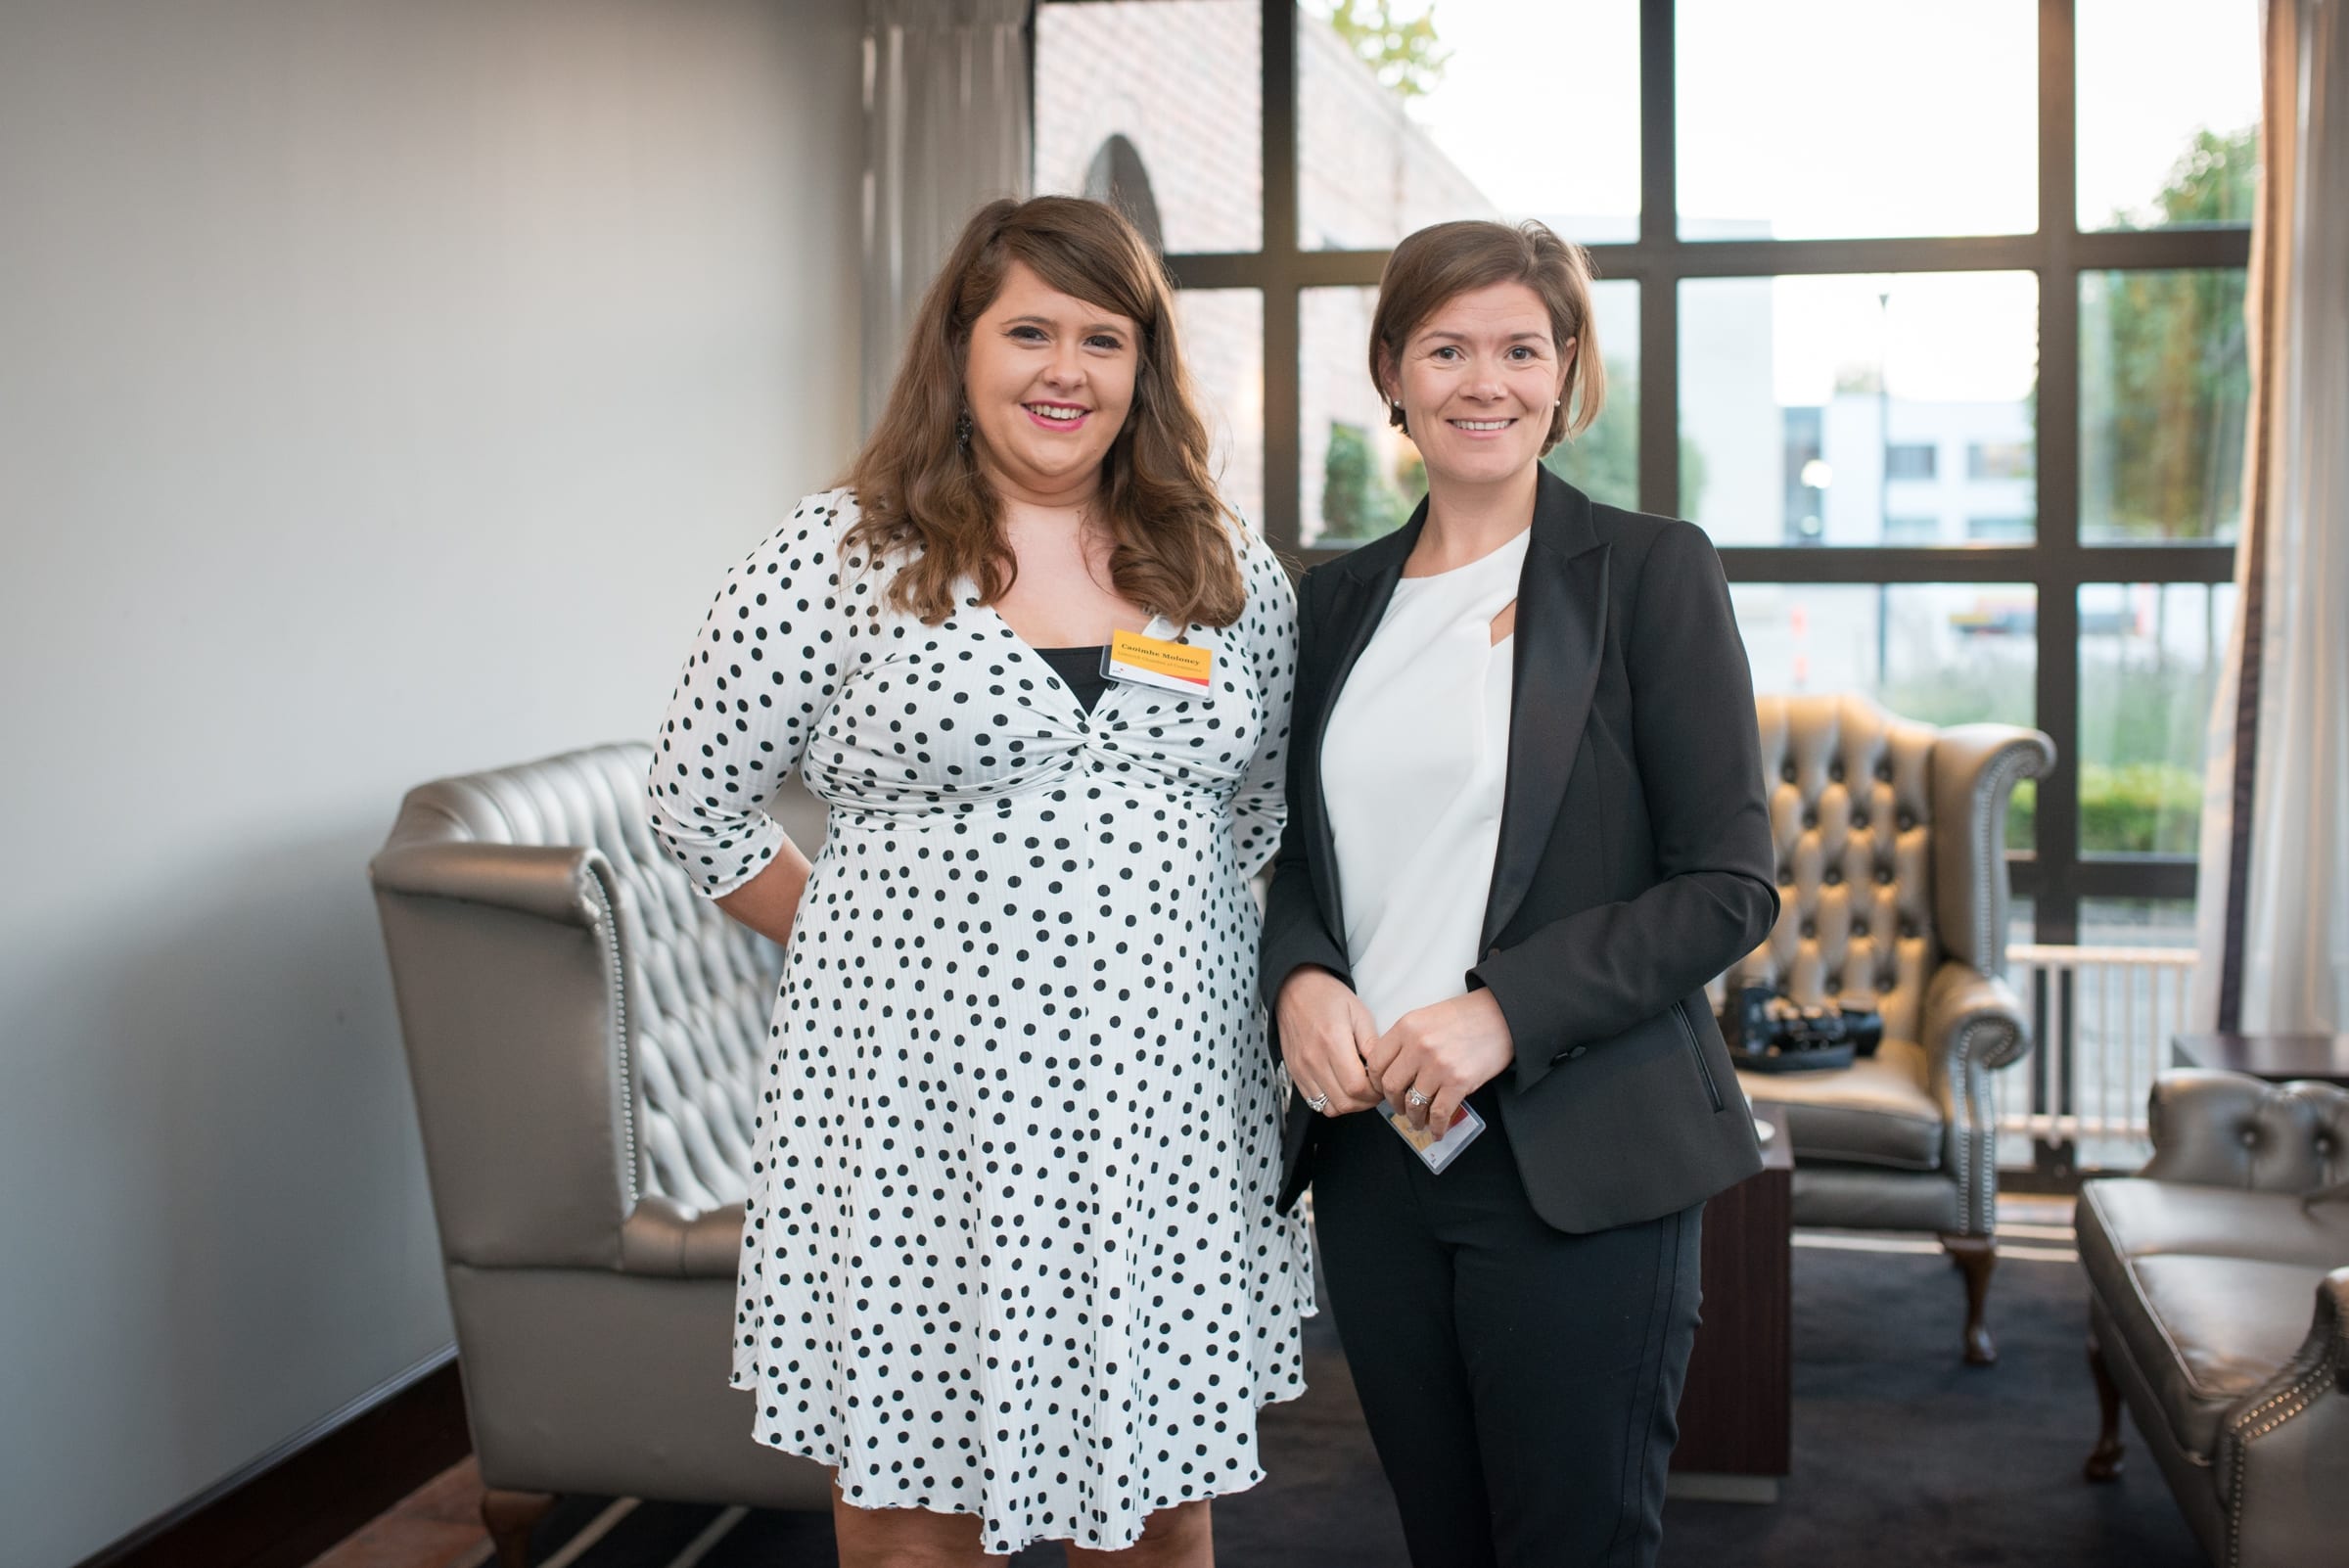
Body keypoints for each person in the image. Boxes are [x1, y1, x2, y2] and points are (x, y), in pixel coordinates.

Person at [648, 196, 1309, 1567]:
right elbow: (695, 800)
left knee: (1157, 1502)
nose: (1065, 369)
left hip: (1160, 1114)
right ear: (960, 350)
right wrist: (855, 943)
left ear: (1145, 368)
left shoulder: (1224, 565)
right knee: (910, 1509)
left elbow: (1258, 816)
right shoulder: (839, 556)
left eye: (1103, 338)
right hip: (912, 1113)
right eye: (1028, 331)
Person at [1260, 218, 1779, 1568]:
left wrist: (1502, 1010)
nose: (1482, 380)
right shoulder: (1331, 604)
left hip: (1582, 1156)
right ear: (1393, 372)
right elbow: (1296, 851)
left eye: (1517, 348)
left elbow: (1729, 884)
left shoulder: (1651, 572)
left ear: (1565, 375)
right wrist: (1302, 971)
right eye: (1446, 347)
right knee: (1449, 1541)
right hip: (1378, 1165)